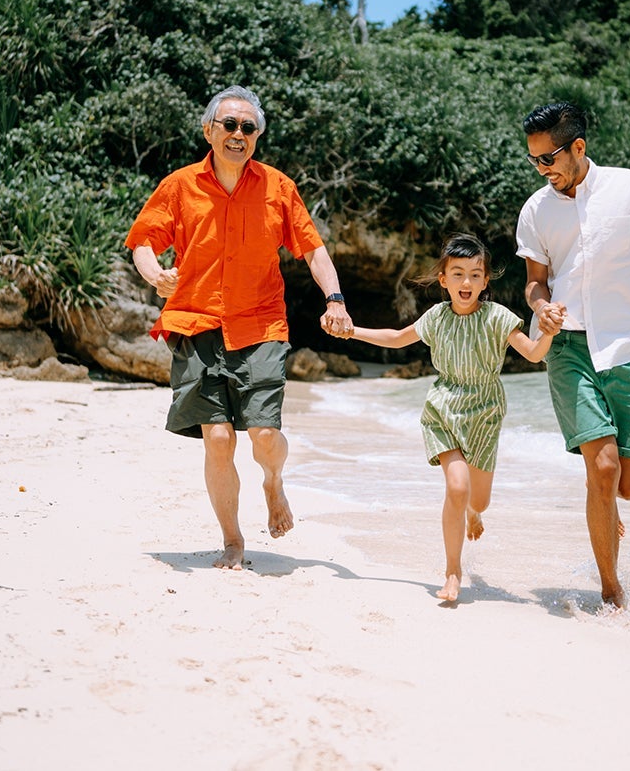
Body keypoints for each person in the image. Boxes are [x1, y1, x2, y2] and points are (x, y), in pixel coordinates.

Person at [125, 85, 354, 570]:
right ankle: (233, 540)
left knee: (264, 437)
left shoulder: (278, 188)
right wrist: (155, 275)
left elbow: (313, 249)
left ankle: (273, 484)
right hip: (197, 320)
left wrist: (334, 299)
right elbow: (144, 241)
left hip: (261, 324)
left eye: (248, 127)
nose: (238, 134)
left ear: (257, 136)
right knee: (218, 438)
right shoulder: (180, 185)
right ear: (209, 130)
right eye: (228, 125)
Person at [514, 101, 630, 609]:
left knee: (627, 485)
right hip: (568, 347)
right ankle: (612, 590)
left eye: (548, 157)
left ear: (578, 147)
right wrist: (542, 306)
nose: (542, 169)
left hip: (629, 348)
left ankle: (608, 504)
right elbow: (534, 284)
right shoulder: (536, 210)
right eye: (533, 160)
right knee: (601, 468)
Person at [345, 233, 557, 603]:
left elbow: (535, 355)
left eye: (476, 275)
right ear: (443, 279)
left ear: (486, 281)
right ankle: (452, 572)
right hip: (443, 408)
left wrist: (548, 332)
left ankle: (472, 513)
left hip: (485, 415)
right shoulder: (437, 318)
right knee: (457, 487)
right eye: (457, 274)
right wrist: (352, 330)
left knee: (479, 501)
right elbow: (397, 338)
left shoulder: (498, 318)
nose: (466, 282)